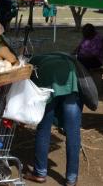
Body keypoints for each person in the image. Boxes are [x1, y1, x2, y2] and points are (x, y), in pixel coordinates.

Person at [25, 53, 82, 186]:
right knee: (73, 132)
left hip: (47, 83)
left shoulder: (33, 62)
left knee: (44, 128)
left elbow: (30, 91)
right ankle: (71, 179)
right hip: (70, 80)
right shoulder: (60, 56)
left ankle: (39, 173)